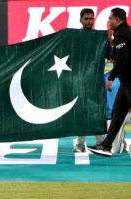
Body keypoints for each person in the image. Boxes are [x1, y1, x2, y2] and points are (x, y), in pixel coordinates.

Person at [87, 8, 131, 157]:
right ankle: (106, 146)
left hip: (129, 81)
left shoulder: (122, 33)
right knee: (117, 113)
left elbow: (123, 58)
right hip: (126, 82)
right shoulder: (123, 33)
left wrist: (111, 77)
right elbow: (117, 55)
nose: (108, 20)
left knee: (118, 114)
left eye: (110, 18)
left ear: (118, 19)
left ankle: (106, 145)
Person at [73, 8, 105, 152]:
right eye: (86, 18)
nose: (89, 21)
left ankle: (100, 142)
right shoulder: (75, 36)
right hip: (79, 80)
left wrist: (109, 40)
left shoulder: (99, 37)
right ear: (81, 20)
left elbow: (109, 54)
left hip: (95, 80)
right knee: (81, 111)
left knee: (96, 111)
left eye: (91, 18)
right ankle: (80, 144)